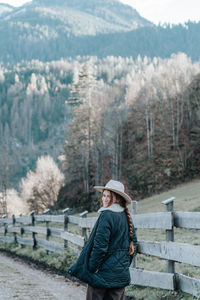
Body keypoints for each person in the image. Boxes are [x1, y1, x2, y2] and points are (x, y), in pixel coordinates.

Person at [68, 179, 138, 300]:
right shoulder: (126, 216)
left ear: (116, 198)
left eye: (109, 196)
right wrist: (124, 264)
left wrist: (91, 268)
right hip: (120, 276)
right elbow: (134, 243)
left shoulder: (106, 215)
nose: (104, 199)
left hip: (101, 276)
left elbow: (100, 247)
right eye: (104, 195)